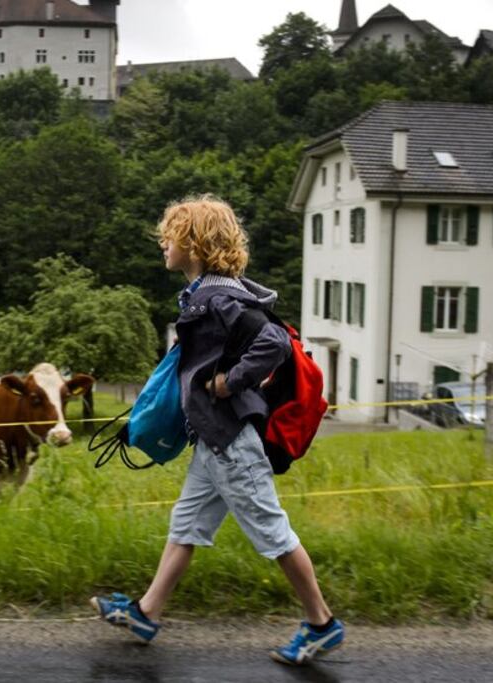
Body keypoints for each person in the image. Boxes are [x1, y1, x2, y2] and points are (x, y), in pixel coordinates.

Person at [90, 194, 344, 666]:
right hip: (215, 440)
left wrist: (229, 382)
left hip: (232, 444)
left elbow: (272, 342)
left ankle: (321, 623)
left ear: (194, 242)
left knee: (273, 533)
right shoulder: (209, 292)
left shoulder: (219, 296)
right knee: (186, 525)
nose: (163, 243)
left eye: (171, 235)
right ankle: (147, 612)